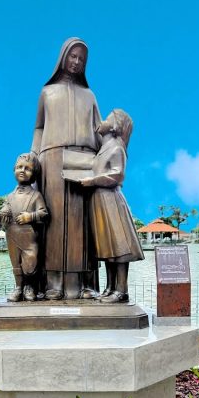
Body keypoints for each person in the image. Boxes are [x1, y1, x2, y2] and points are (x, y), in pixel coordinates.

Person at [31, 37, 101, 300]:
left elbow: (99, 129)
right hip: (52, 159)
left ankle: (81, 284)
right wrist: (34, 156)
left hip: (85, 159)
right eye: (73, 56)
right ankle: (53, 283)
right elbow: (39, 127)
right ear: (63, 58)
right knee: (54, 222)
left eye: (82, 59)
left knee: (81, 224)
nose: (77, 62)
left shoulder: (89, 95)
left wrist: (111, 152)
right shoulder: (47, 92)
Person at [80, 109, 144, 302]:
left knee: (119, 246)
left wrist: (92, 181)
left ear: (115, 126)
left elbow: (118, 175)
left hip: (111, 201)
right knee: (108, 246)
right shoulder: (104, 148)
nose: (102, 120)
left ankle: (121, 290)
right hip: (100, 201)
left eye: (107, 118)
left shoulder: (117, 148)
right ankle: (109, 287)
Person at [0, 153, 48, 302]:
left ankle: (29, 287)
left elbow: (44, 213)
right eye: (19, 167)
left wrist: (30, 217)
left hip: (29, 236)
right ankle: (19, 287)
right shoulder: (10, 197)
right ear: (14, 170)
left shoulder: (36, 195)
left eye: (27, 168)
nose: (22, 170)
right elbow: (5, 209)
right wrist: (3, 212)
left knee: (30, 261)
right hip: (12, 234)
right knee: (15, 262)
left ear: (34, 174)